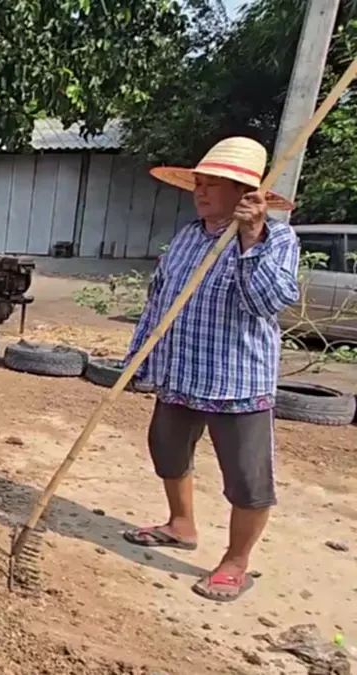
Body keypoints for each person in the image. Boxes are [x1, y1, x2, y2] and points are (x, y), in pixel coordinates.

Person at [122, 136, 300, 602]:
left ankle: (236, 562)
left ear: (244, 193)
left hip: (236, 380)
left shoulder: (277, 239)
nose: (200, 192)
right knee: (167, 451)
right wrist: (138, 358)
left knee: (247, 479)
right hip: (181, 372)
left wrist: (250, 239)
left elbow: (267, 302)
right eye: (198, 183)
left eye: (212, 184)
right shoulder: (188, 235)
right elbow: (159, 300)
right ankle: (180, 525)